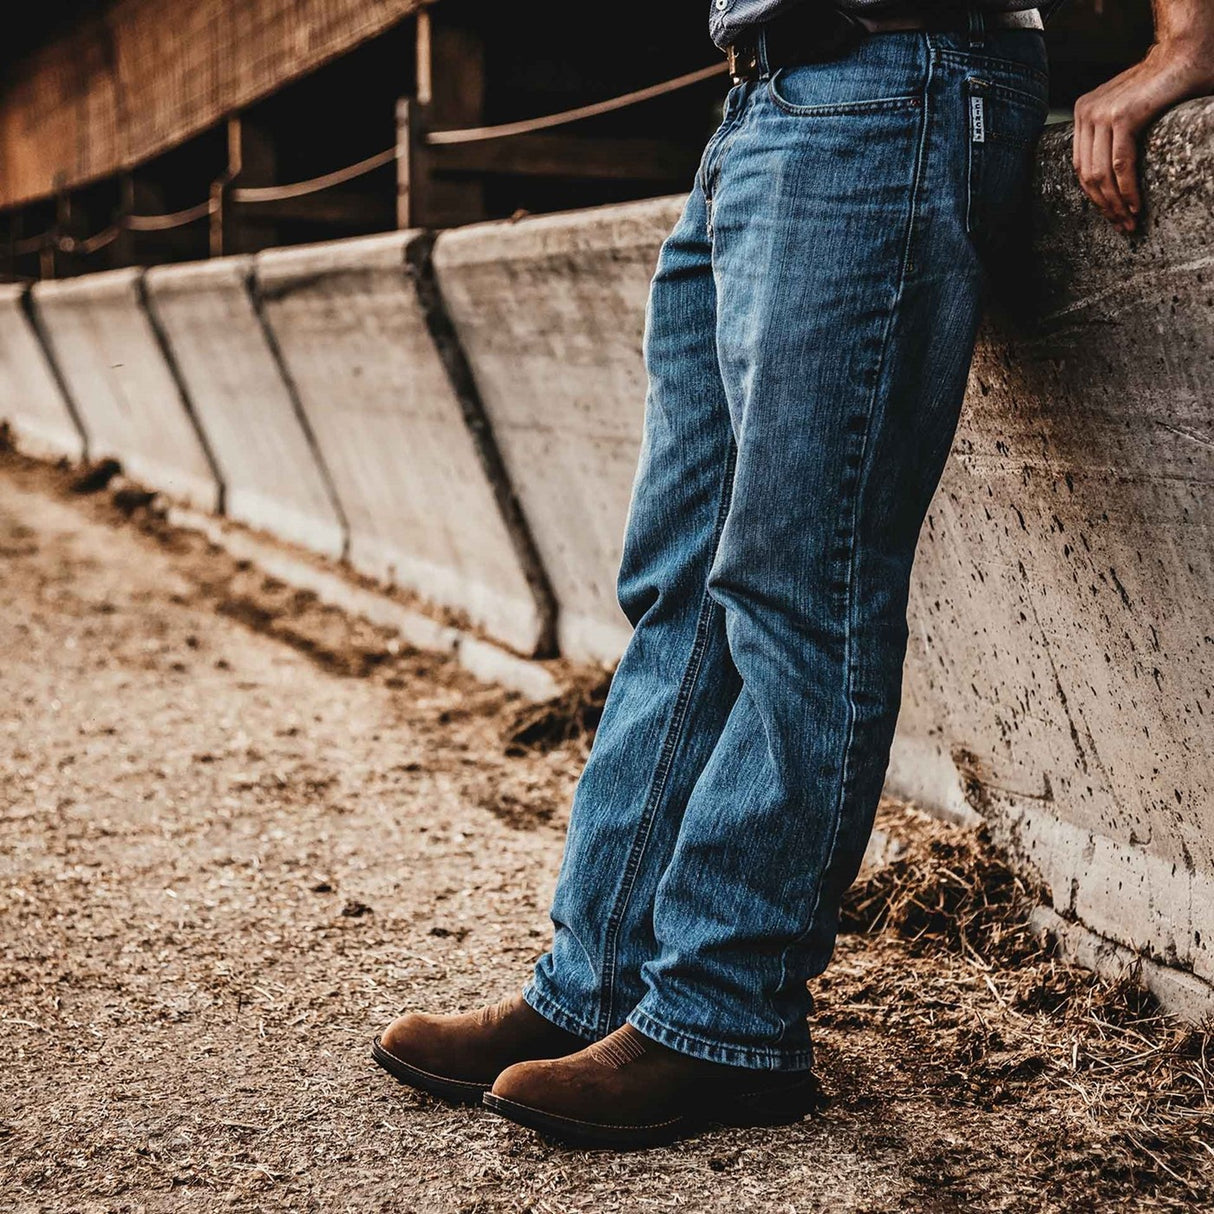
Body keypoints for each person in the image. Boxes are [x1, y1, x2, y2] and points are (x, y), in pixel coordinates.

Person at [373, 0, 1214, 1149]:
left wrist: (1184, 45)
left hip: (894, 78)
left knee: (795, 583)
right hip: (763, 99)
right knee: (680, 581)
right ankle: (598, 977)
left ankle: (725, 1017)